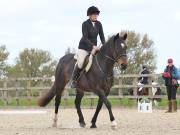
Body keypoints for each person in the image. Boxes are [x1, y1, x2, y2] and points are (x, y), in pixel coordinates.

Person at [71, 6, 105, 88]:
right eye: (94, 14)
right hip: (84, 47)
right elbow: (85, 38)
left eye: (97, 14)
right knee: (81, 62)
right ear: (89, 15)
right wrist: (93, 46)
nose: (96, 16)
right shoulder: (85, 24)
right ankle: (74, 80)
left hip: (95, 48)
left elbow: (102, 36)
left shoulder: (99, 24)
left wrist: (103, 45)